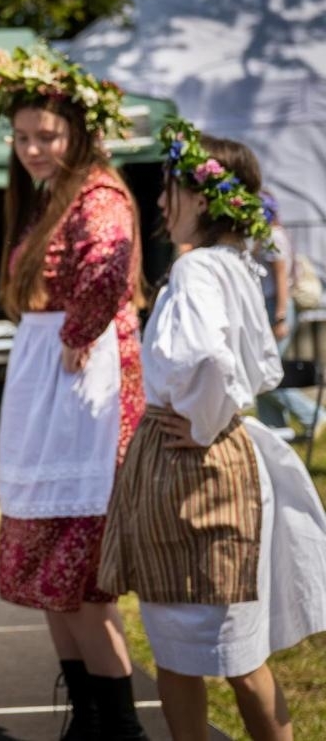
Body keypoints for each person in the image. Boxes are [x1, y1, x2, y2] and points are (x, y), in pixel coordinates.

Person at [99, 122, 326, 741]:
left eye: (171, 188)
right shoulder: (235, 264)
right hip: (221, 459)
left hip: (193, 467)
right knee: (234, 650)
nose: (162, 202)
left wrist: (201, 424)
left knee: (188, 650)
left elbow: (208, 359)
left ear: (201, 198)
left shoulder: (199, 269)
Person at [0, 43, 149, 740]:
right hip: (48, 381)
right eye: (21, 137)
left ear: (78, 131)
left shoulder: (100, 192)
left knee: (81, 577)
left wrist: (79, 330)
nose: (31, 148)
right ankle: (89, 716)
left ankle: (120, 726)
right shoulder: (53, 196)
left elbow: (110, 265)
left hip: (83, 388)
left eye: (45, 135)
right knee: (53, 573)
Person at [254, 190, 326, 437]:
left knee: (266, 374)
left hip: (277, 308)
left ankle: (312, 415)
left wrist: (281, 316)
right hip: (270, 307)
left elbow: (282, 279)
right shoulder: (268, 236)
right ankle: (273, 431)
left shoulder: (272, 237)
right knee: (264, 374)